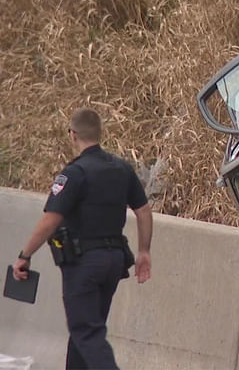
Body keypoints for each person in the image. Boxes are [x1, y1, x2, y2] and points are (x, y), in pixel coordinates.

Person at [12, 108, 153, 370]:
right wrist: (144, 251)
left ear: (72, 135)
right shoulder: (122, 169)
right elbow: (143, 211)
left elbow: (50, 220)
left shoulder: (75, 173)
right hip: (113, 262)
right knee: (85, 333)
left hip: (84, 265)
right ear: (99, 133)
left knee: (87, 334)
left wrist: (25, 255)